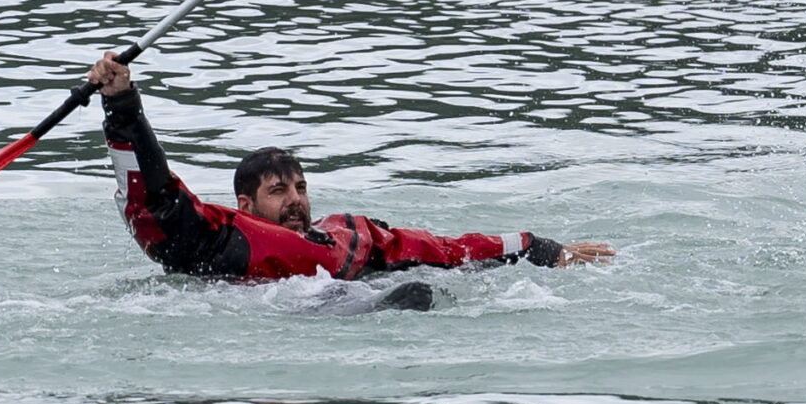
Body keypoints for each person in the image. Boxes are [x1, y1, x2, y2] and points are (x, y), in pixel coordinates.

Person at [87, 55, 611, 295]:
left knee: (421, 289)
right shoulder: (220, 240)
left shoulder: (349, 234)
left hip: (354, 294)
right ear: (247, 205)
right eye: (278, 191)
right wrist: (123, 104)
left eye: (299, 187)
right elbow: (153, 197)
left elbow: (446, 250)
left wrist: (538, 246)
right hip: (281, 316)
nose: (295, 199)